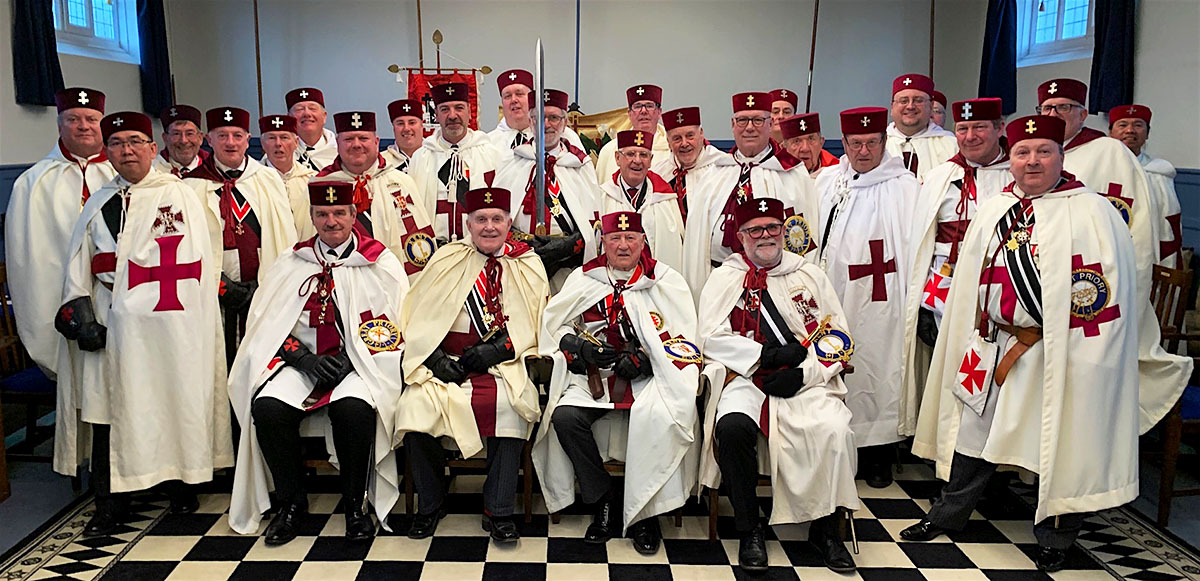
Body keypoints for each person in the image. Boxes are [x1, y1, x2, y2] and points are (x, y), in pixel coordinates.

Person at [906, 116, 1143, 573]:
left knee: (1061, 439)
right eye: (1022, 152)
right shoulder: (996, 208)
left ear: (1061, 156)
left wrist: (1084, 354)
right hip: (995, 345)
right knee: (972, 435)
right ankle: (947, 515)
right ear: (1010, 157)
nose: (1032, 161)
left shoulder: (1093, 211)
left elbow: (1108, 299)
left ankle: (1058, 536)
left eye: (1043, 151)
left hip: (1058, 352)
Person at [55, 111, 229, 536]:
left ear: (154, 149)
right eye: (116, 144)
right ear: (106, 151)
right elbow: (78, 263)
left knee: (173, 398)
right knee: (106, 408)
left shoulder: (181, 195)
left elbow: (201, 264)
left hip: (171, 322)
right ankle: (109, 504)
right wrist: (81, 314)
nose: (126, 150)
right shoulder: (98, 202)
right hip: (112, 323)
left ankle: (180, 482)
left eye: (135, 142)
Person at [228, 181, 407, 546]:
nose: (331, 221)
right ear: (311, 217)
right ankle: (291, 504)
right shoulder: (293, 262)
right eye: (322, 214)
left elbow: (396, 322)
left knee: (353, 410)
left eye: (339, 212)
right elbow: (267, 323)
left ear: (354, 215)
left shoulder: (379, 261)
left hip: (358, 363)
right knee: (268, 408)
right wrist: (302, 357)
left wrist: (351, 356)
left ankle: (355, 506)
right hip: (301, 362)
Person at [698, 198, 859, 574]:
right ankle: (748, 528)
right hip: (746, 376)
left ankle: (826, 529)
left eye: (773, 227)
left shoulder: (808, 274)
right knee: (733, 427)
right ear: (741, 237)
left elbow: (839, 337)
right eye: (756, 230)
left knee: (834, 428)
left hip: (804, 379)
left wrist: (805, 374)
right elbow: (707, 336)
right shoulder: (726, 276)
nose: (766, 236)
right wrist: (761, 355)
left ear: (785, 231)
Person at [535, 211, 700, 556]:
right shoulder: (585, 277)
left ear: (643, 241)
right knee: (565, 417)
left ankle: (645, 513)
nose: (623, 245)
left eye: (631, 238)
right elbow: (556, 324)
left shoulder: (665, 280)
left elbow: (685, 340)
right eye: (615, 239)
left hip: (649, 377)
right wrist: (575, 346)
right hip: (596, 376)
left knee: (661, 415)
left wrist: (648, 358)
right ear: (604, 243)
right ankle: (604, 498)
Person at [395, 187, 549, 544]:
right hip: (445, 362)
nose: (490, 227)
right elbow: (417, 313)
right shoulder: (447, 258)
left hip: (502, 364)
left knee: (512, 407)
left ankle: (499, 510)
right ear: (469, 223)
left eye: (497, 219)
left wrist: (499, 350)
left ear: (509, 223)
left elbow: (539, 322)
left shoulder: (528, 262)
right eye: (482, 219)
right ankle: (431, 504)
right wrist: (432, 358)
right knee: (415, 408)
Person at [1037, 78, 1189, 433]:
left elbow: (1133, 227)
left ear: (1083, 113)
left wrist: (1123, 285)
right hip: (1040, 280)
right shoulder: (1035, 149)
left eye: (1064, 107)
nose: (1055, 114)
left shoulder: (1109, 153)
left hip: (1088, 282)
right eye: (1047, 108)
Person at [816, 106, 920, 487]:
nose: (863, 151)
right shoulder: (827, 182)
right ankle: (833, 446)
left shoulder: (904, 187)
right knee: (830, 362)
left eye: (872, 142)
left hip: (881, 297)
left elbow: (914, 246)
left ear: (883, 141)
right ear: (843, 143)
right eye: (855, 143)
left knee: (877, 365)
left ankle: (878, 452)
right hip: (832, 293)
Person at [899, 98, 1012, 436]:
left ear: (999, 129)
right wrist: (918, 304)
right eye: (963, 128)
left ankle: (993, 463)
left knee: (997, 382)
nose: (970, 136)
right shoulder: (940, 177)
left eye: (980, 127)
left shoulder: (1016, 174)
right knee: (950, 374)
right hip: (944, 297)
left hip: (1000, 297)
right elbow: (920, 246)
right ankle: (947, 456)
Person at [6, 87, 114, 379]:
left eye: (91, 119)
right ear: (59, 124)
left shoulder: (123, 175)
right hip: (62, 298)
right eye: (73, 119)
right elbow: (26, 261)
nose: (83, 126)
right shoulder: (33, 183)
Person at [183, 107, 298, 364]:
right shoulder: (190, 186)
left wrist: (271, 283)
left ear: (248, 139)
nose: (230, 143)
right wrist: (221, 286)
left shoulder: (268, 179)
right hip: (214, 295)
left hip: (263, 291)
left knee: (259, 363)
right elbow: (187, 249)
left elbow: (285, 237)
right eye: (222, 135)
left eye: (237, 135)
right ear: (208, 139)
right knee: (219, 363)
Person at [682, 92, 819, 304]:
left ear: (770, 123)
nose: (749, 127)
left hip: (775, 286)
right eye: (742, 120)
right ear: (732, 124)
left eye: (757, 120)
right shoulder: (714, 173)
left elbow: (806, 243)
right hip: (718, 281)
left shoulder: (792, 174)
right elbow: (696, 239)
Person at [493, 88, 598, 290]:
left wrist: (570, 245)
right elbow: (497, 215)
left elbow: (595, 222)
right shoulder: (512, 161)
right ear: (530, 121)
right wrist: (522, 246)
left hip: (567, 268)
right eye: (539, 118)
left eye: (554, 118)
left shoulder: (580, 165)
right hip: (519, 263)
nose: (546, 124)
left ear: (564, 123)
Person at [313, 111, 436, 276]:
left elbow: (421, 241)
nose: (356, 145)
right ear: (337, 143)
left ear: (376, 142)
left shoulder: (401, 182)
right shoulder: (318, 186)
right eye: (349, 139)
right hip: (339, 284)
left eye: (363, 138)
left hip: (394, 281)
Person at [408, 82, 503, 244]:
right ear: (436, 115)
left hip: (479, 249)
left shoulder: (491, 154)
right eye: (445, 109)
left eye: (459, 108)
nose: (452, 115)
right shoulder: (421, 157)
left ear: (470, 112)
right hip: (434, 250)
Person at [595, 130, 685, 272]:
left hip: (657, 284)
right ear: (617, 158)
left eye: (643, 155)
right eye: (630, 154)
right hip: (615, 284)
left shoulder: (665, 198)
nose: (637, 161)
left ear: (650, 160)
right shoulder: (602, 197)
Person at [1108, 104, 1184, 268]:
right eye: (1122, 125)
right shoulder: (1099, 170)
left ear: (1147, 133)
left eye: (1138, 125)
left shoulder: (1158, 173)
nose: (1130, 130)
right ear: (1110, 132)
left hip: (1145, 254)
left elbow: (1167, 223)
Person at [651, 106, 725, 220]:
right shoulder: (658, 175)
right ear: (668, 142)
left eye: (690, 136)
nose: (684, 143)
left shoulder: (722, 168)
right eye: (677, 138)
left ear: (701, 134)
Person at [885, 74, 957, 182]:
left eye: (918, 100)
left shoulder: (951, 145)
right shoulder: (878, 144)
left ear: (931, 106)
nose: (910, 106)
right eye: (903, 101)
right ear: (892, 107)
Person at [594, 84, 671, 183]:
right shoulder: (609, 150)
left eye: (649, 106)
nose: (643, 111)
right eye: (637, 106)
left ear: (659, 112)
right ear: (629, 114)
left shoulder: (672, 149)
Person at [259, 114, 317, 239]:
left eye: (284, 137)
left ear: (296, 142)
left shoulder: (312, 180)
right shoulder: (254, 181)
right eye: (271, 138)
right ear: (262, 144)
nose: (278, 144)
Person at [287, 87, 337, 171]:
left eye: (312, 108)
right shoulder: (279, 153)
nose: (307, 113)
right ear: (289, 118)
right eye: (299, 109)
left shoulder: (341, 153)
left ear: (324, 116)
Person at [778, 112, 839, 179]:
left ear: (821, 143)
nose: (805, 148)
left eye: (811, 139)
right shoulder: (776, 176)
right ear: (784, 148)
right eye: (796, 141)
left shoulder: (837, 173)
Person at [152, 104, 207, 176]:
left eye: (189, 133)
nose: (183, 141)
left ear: (200, 138)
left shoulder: (214, 169)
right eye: (176, 134)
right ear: (165, 138)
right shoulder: (151, 171)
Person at [382, 99, 424, 173]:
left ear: (421, 125)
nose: (406, 128)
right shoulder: (381, 162)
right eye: (400, 123)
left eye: (412, 123)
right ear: (393, 128)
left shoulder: (437, 157)